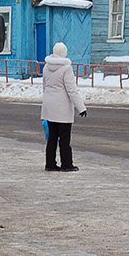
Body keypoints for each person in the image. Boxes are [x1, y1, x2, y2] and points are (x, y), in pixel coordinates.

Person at [41, 42, 86, 172]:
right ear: (64, 53)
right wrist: (81, 107)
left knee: (52, 137)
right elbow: (71, 90)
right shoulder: (66, 68)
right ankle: (67, 164)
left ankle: (50, 164)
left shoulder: (46, 67)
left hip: (49, 105)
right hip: (62, 108)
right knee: (64, 138)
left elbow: (45, 87)